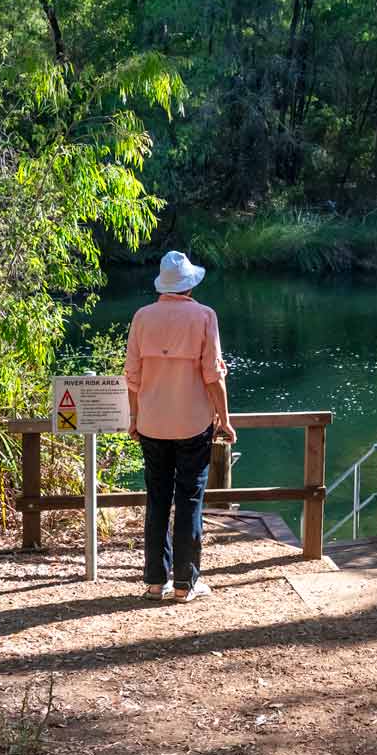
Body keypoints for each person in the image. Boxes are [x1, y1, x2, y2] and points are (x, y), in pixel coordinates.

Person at [124, 251, 236, 602]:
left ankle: (155, 582)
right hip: (193, 424)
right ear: (190, 284)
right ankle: (186, 583)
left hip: (152, 423)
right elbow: (213, 377)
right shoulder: (204, 316)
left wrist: (134, 418)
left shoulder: (143, 317)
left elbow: (133, 376)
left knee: (157, 499)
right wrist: (226, 420)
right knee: (189, 500)